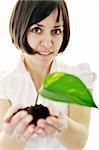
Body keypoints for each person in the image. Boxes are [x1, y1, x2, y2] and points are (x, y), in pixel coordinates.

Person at [0, 0, 96, 150]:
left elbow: (79, 142)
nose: (47, 43)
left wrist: (63, 126)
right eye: (37, 29)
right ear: (19, 27)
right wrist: (14, 133)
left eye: (56, 31)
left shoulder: (77, 76)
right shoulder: (4, 82)